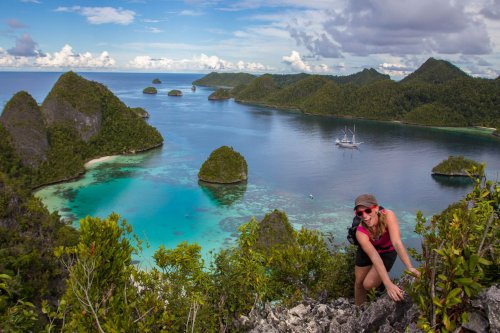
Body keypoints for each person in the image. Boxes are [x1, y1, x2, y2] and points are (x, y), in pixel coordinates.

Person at [353, 194, 419, 306]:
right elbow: (374, 256)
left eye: (368, 211)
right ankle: (359, 311)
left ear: (376, 208)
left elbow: (397, 243)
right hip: (368, 250)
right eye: (360, 213)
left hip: (387, 250)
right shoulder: (360, 232)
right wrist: (388, 283)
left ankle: (382, 286)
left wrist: (410, 267)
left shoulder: (389, 215)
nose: (364, 216)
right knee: (359, 283)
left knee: (368, 284)